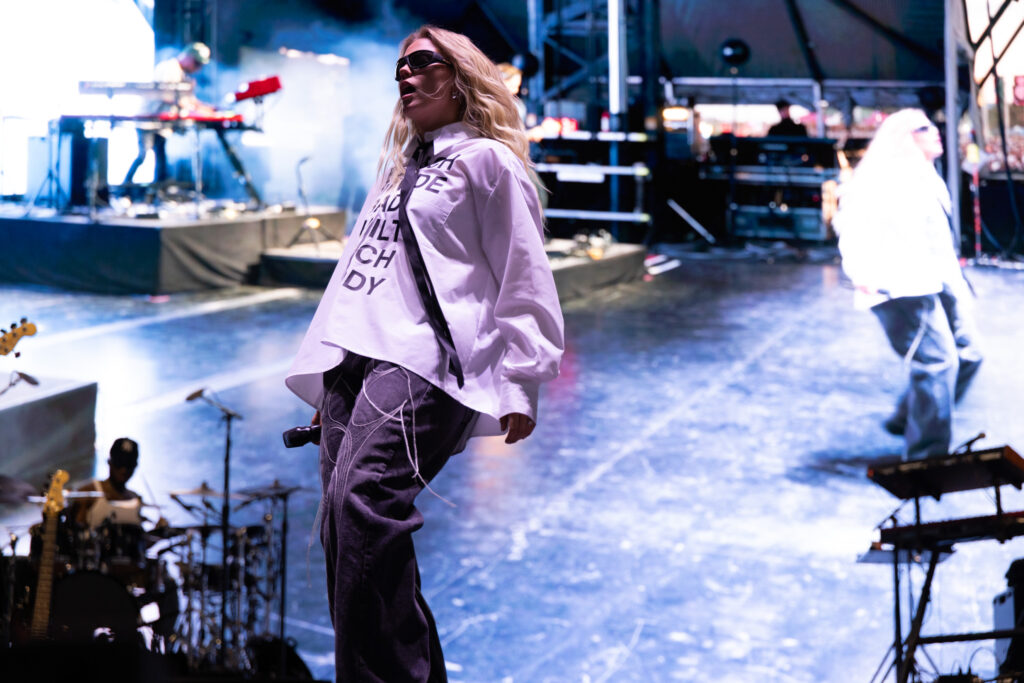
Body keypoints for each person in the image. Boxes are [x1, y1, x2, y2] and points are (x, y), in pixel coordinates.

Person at [285, 26, 565, 681]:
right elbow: (364, 272)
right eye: (399, 69)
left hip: (426, 358)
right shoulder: (400, 167)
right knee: (344, 528)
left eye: (421, 63)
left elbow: (523, 272)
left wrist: (521, 380)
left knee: (361, 508)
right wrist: (330, 371)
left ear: (460, 76)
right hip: (356, 359)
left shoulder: (487, 162)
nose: (404, 77)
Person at [835, 108, 982, 460]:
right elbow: (850, 223)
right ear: (904, 137)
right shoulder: (883, 176)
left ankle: (910, 417)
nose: (936, 132)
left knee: (969, 354)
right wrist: (861, 273)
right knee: (936, 364)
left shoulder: (926, 174)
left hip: (937, 280)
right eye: (924, 128)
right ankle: (926, 457)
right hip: (901, 287)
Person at [123, 42, 212, 186]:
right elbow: (166, 95)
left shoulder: (182, 75)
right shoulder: (168, 69)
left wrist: (207, 109)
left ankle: (159, 191)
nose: (197, 68)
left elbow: (189, 99)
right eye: (196, 64)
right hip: (148, 120)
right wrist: (188, 106)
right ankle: (124, 188)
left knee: (161, 158)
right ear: (188, 57)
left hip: (161, 124)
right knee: (143, 155)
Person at [72, 437, 145, 528]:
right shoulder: (88, 492)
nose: (124, 470)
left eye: (129, 465)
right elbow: (75, 530)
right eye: (119, 463)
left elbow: (139, 535)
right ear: (109, 462)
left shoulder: (136, 499)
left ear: (135, 466)